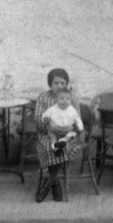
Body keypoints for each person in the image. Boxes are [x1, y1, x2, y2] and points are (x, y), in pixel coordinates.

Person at [33, 68, 81, 202]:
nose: (60, 86)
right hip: (47, 134)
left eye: (63, 83)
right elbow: (38, 118)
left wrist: (66, 128)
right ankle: (56, 185)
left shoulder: (72, 97)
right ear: (50, 83)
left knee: (63, 146)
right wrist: (50, 127)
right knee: (50, 147)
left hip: (67, 134)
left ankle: (47, 186)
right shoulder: (43, 97)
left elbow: (77, 119)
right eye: (56, 83)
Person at [41, 87, 84, 154]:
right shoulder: (52, 109)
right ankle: (55, 145)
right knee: (52, 136)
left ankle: (61, 142)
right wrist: (45, 119)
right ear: (56, 99)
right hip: (54, 130)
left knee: (73, 133)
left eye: (67, 99)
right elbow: (44, 116)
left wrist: (80, 126)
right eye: (61, 98)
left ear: (70, 100)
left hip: (67, 130)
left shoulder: (71, 109)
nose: (65, 101)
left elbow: (77, 118)